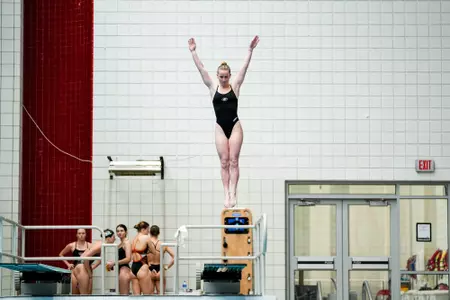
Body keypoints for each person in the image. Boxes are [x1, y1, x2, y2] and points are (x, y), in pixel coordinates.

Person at [188, 35, 260, 208]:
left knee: (234, 160)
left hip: (235, 126)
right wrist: (193, 52)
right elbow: (201, 70)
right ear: (217, 76)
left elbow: (244, 68)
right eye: (221, 76)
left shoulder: (235, 86)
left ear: (230, 75)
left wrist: (250, 51)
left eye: (226, 76)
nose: (223, 79)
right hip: (220, 127)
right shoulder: (213, 88)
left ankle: (233, 191)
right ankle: (226, 192)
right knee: (224, 161)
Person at [80, 229, 116, 294]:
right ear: (108, 238)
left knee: (84, 295)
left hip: (83, 267)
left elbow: (100, 260)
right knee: (85, 296)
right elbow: (85, 258)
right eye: (114, 237)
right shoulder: (100, 245)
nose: (115, 239)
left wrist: (91, 268)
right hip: (82, 268)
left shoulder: (101, 245)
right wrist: (89, 273)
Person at [58, 228, 93, 294]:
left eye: (83, 233)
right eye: (79, 233)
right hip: (75, 270)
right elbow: (61, 254)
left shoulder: (90, 245)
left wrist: (93, 266)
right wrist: (68, 264)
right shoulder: (72, 245)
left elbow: (100, 257)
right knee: (75, 294)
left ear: (86, 235)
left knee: (87, 294)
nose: (81, 235)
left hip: (86, 270)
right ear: (76, 235)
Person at [130, 221, 157, 295]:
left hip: (133, 268)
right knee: (148, 295)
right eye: (148, 230)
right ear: (143, 229)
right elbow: (154, 252)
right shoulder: (146, 238)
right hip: (142, 267)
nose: (148, 232)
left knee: (136, 297)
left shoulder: (134, 239)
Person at [147, 225, 175, 294]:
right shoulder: (163, 244)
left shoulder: (147, 243)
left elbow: (139, 257)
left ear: (150, 233)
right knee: (161, 294)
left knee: (149, 295)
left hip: (149, 269)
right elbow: (174, 257)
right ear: (159, 233)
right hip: (160, 270)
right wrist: (166, 267)